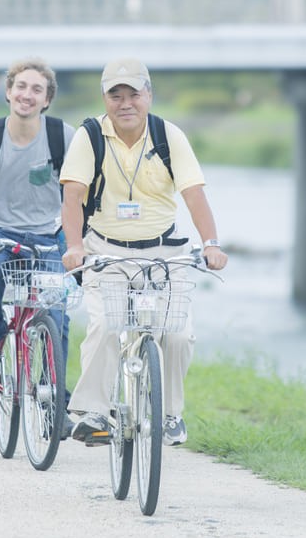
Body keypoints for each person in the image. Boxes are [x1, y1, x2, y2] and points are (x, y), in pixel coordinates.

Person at [60, 58, 229, 447]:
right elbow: (72, 196)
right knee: (104, 327)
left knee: (179, 336)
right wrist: (73, 247)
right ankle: (94, 411)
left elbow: (193, 195)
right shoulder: (89, 135)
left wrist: (211, 244)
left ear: (148, 96)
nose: (125, 104)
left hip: (164, 254)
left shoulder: (169, 136)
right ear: (105, 99)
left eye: (133, 94)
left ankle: (170, 415)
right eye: (115, 95)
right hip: (106, 251)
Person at [0, 59, 75, 395]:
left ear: (47, 99)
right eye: (21, 87)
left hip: (48, 234)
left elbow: (77, 191)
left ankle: (54, 394)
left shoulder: (61, 135)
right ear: (9, 92)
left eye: (36, 89)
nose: (27, 94)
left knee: (57, 313)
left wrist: (80, 240)